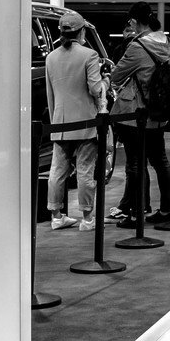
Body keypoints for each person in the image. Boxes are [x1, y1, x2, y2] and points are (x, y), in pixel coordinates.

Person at [108, 2, 170, 226]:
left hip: (134, 113)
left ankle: (137, 215)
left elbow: (117, 76)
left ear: (135, 22)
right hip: (158, 111)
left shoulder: (138, 46)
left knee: (136, 164)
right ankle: (167, 211)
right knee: (161, 161)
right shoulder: (165, 41)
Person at [45, 12, 107, 231]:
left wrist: (55, 120)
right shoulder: (89, 55)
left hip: (60, 122)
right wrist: (105, 82)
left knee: (57, 170)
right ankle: (88, 219)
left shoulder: (51, 57)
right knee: (85, 170)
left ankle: (56, 216)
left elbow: (50, 94)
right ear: (81, 31)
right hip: (86, 122)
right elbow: (95, 88)